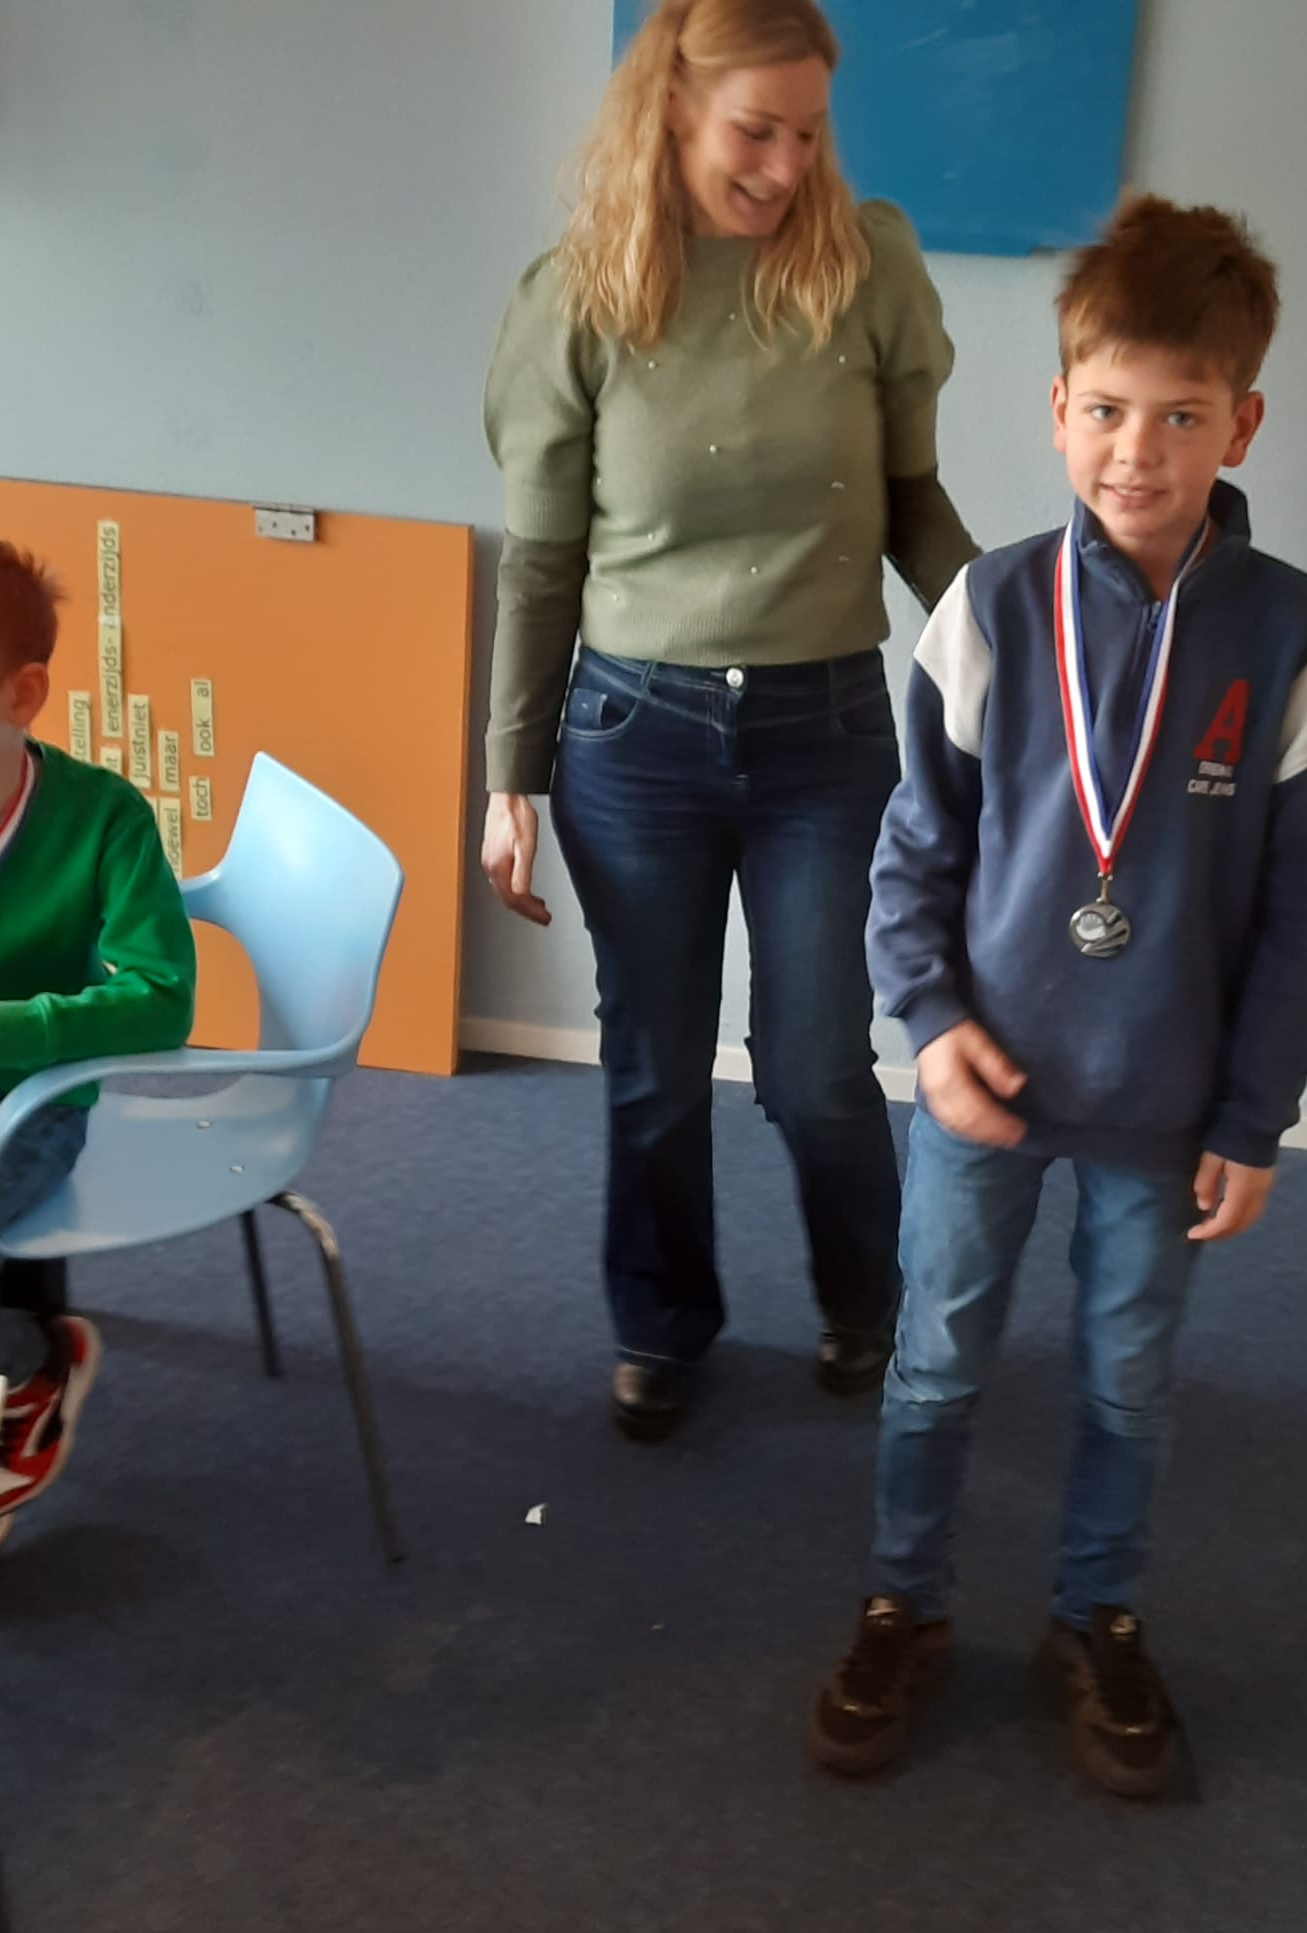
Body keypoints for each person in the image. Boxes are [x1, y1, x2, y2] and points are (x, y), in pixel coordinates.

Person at [808, 196, 1307, 1795]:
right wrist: (928, 1022)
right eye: (1108, 409)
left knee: (1127, 1380)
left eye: (1183, 415)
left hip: (1164, 1103)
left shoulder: (1296, 633)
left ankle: (1095, 1617)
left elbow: (1304, 910)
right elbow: (914, 852)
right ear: (1057, 411)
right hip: (985, 1077)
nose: (1139, 451)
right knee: (934, 1358)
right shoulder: (987, 608)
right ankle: (905, 1601)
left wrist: (1254, 1117)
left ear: (1243, 423)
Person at [482, 0, 978, 1440]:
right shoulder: (579, 298)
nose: (785, 165)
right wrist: (509, 777)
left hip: (828, 730)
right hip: (634, 734)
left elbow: (913, 505)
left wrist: (1023, 652)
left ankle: (867, 1302)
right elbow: (544, 564)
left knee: (820, 1068)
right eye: (756, 131)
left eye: (808, 133)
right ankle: (661, 1322)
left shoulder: (863, 266)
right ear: (673, 112)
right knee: (651, 1071)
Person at [0, 542, 197, 1545]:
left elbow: (161, 998)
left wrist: (15, 1029)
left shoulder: (104, 819)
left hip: (38, 1101)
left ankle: (33, 1365)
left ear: (24, 694)